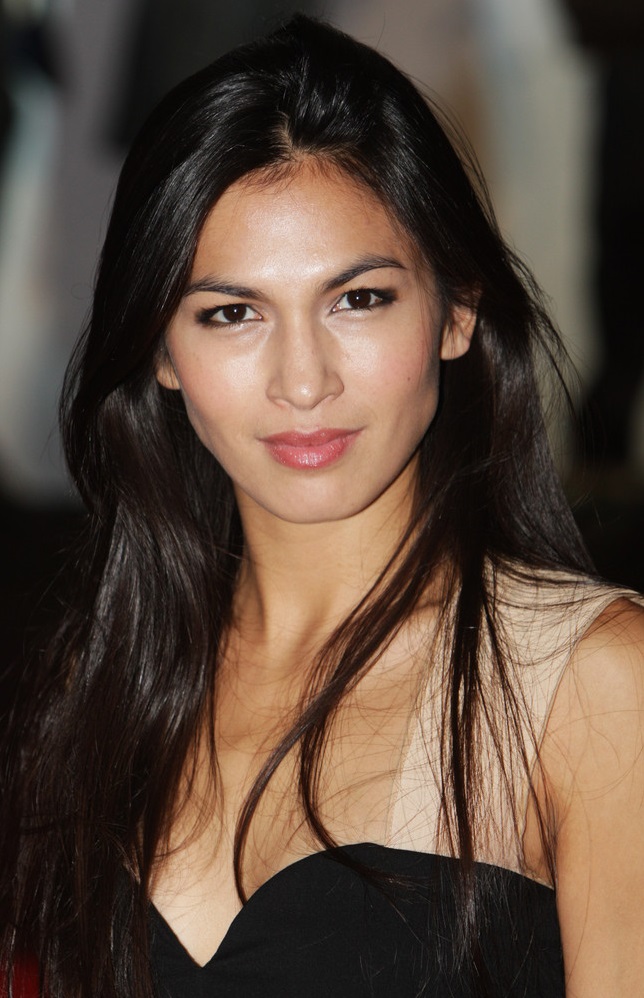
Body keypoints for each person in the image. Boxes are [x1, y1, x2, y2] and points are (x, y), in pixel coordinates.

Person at [2, 15, 644, 998]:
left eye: (358, 299)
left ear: (456, 309)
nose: (303, 381)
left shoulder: (591, 688)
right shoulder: (95, 689)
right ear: (163, 352)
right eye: (231, 313)